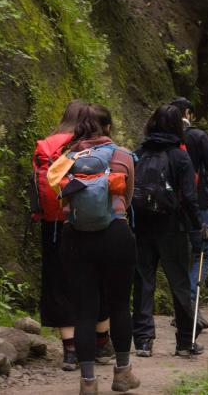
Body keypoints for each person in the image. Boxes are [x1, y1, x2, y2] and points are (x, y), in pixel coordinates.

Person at [58, 104, 140, 395]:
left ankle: (88, 383)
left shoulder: (66, 159)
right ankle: (122, 373)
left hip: (75, 237)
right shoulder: (122, 155)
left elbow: (60, 201)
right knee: (119, 304)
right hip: (115, 234)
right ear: (107, 127)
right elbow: (127, 198)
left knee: (84, 311)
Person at [29, 100, 114, 371]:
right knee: (98, 278)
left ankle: (69, 351)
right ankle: (101, 344)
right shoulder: (92, 143)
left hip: (53, 223)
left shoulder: (46, 145)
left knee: (58, 282)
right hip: (92, 222)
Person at [132, 104, 208, 358]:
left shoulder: (140, 152)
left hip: (142, 225)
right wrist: (197, 227)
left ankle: (143, 341)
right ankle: (185, 342)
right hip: (173, 227)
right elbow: (188, 197)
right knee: (179, 283)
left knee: (144, 281)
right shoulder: (180, 156)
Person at [169, 97, 208, 328]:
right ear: (188, 113)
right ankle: (188, 307)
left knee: (178, 258)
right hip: (198, 205)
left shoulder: (160, 137)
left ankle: (181, 308)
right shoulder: (197, 136)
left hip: (168, 208)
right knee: (204, 254)